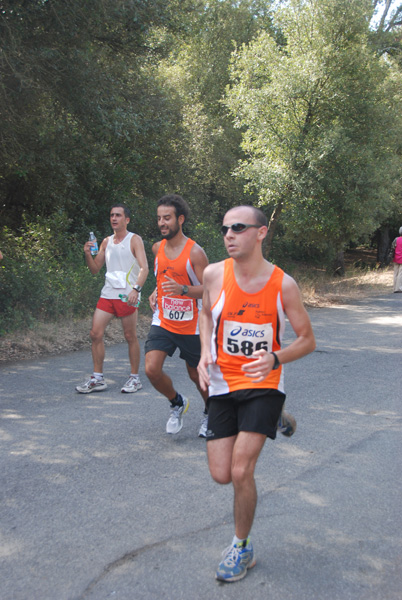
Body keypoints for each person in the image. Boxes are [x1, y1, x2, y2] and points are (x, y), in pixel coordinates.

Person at [197, 205, 316, 583]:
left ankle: (241, 546)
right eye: (224, 229)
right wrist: (204, 354)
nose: (228, 235)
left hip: (263, 383)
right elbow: (204, 315)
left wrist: (275, 358)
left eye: (238, 227)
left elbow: (307, 340)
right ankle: (275, 419)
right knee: (220, 474)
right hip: (221, 383)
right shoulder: (213, 273)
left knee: (239, 470)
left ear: (261, 233)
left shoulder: (283, 284)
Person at [144, 194, 209, 436]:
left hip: (192, 324)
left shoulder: (195, 253)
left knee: (196, 374)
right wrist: (155, 291)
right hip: (163, 319)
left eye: (167, 218)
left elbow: (210, 289)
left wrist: (183, 290)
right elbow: (164, 278)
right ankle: (177, 402)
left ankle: (211, 412)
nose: (162, 223)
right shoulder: (156, 248)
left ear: (180, 219)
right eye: (159, 218)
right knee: (151, 369)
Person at [76, 203, 149, 394]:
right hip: (108, 293)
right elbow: (95, 269)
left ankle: (135, 378)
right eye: (111, 215)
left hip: (127, 295)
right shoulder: (106, 242)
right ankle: (98, 378)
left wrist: (136, 289)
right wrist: (86, 254)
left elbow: (144, 268)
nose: (114, 218)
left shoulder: (135, 240)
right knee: (95, 333)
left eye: (118, 215)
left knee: (130, 336)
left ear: (127, 219)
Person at [390, 226, 402, 293]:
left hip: (395, 258)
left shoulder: (396, 239)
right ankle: (399, 288)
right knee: (401, 273)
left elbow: (393, 247)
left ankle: (394, 288)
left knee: (395, 273)